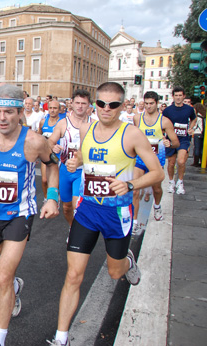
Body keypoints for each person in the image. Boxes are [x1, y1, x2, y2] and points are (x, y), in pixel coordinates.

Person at [48, 82, 164, 346]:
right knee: (74, 275)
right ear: (94, 104)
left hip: (116, 212)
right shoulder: (87, 128)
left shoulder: (131, 134)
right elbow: (82, 157)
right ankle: (61, 338)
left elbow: (158, 173)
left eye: (113, 104)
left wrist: (131, 184)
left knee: (115, 272)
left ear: (122, 106)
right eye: (101, 103)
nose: (106, 109)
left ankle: (127, 262)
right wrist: (76, 162)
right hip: (87, 210)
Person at [0, 85, 60, 346]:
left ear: (20, 113)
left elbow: (53, 165)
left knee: (2, 277)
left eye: (9, 112)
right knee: (1, 265)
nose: (2, 118)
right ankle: (14, 286)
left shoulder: (34, 142)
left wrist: (52, 197)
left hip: (20, 214)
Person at [131, 91, 179, 233]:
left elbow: (176, 142)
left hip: (156, 161)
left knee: (156, 189)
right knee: (134, 190)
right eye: (146, 103)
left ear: (156, 103)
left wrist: (168, 143)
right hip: (139, 159)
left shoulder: (164, 121)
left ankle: (157, 206)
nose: (148, 106)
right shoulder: (137, 119)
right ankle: (134, 221)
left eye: (151, 103)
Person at [48, 89, 92, 227]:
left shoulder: (95, 124)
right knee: (67, 208)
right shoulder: (63, 123)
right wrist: (53, 147)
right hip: (65, 170)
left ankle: (78, 235)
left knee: (76, 205)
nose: (80, 106)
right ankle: (72, 229)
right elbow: (50, 142)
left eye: (83, 103)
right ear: (71, 104)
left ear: (89, 105)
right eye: (77, 103)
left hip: (83, 171)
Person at [162, 87, 197, 194]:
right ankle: (171, 182)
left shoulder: (189, 109)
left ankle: (180, 182)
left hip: (183, 139)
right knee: (171, 163)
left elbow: (194, 119)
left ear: (184, 96)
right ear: (173, 96)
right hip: (171, 139)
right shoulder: (168, 110)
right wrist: (163, 136)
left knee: (181, 161)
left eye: (180, 95)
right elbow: (162, 123)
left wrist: (191, 128)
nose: (178, 98)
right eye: (176, 95)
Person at [38, 100, 63, 201]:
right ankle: (46, 199)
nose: (52, 111)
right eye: (50, 108)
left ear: (59, 110)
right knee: (44, 180)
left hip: (59, 156)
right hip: (46, 154)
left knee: (57, 181)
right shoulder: (43, 122)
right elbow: (39, 136)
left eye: (55, 108)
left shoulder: (62, 122)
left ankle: (55, 198)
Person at [191, 103, 205, 167]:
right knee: (202, 148)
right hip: (203, 134)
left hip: (197, 133)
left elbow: (195, 126)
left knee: (197, 148)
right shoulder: (204, 116)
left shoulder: (197, 117)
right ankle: (202, 161)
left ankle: (196, 162)